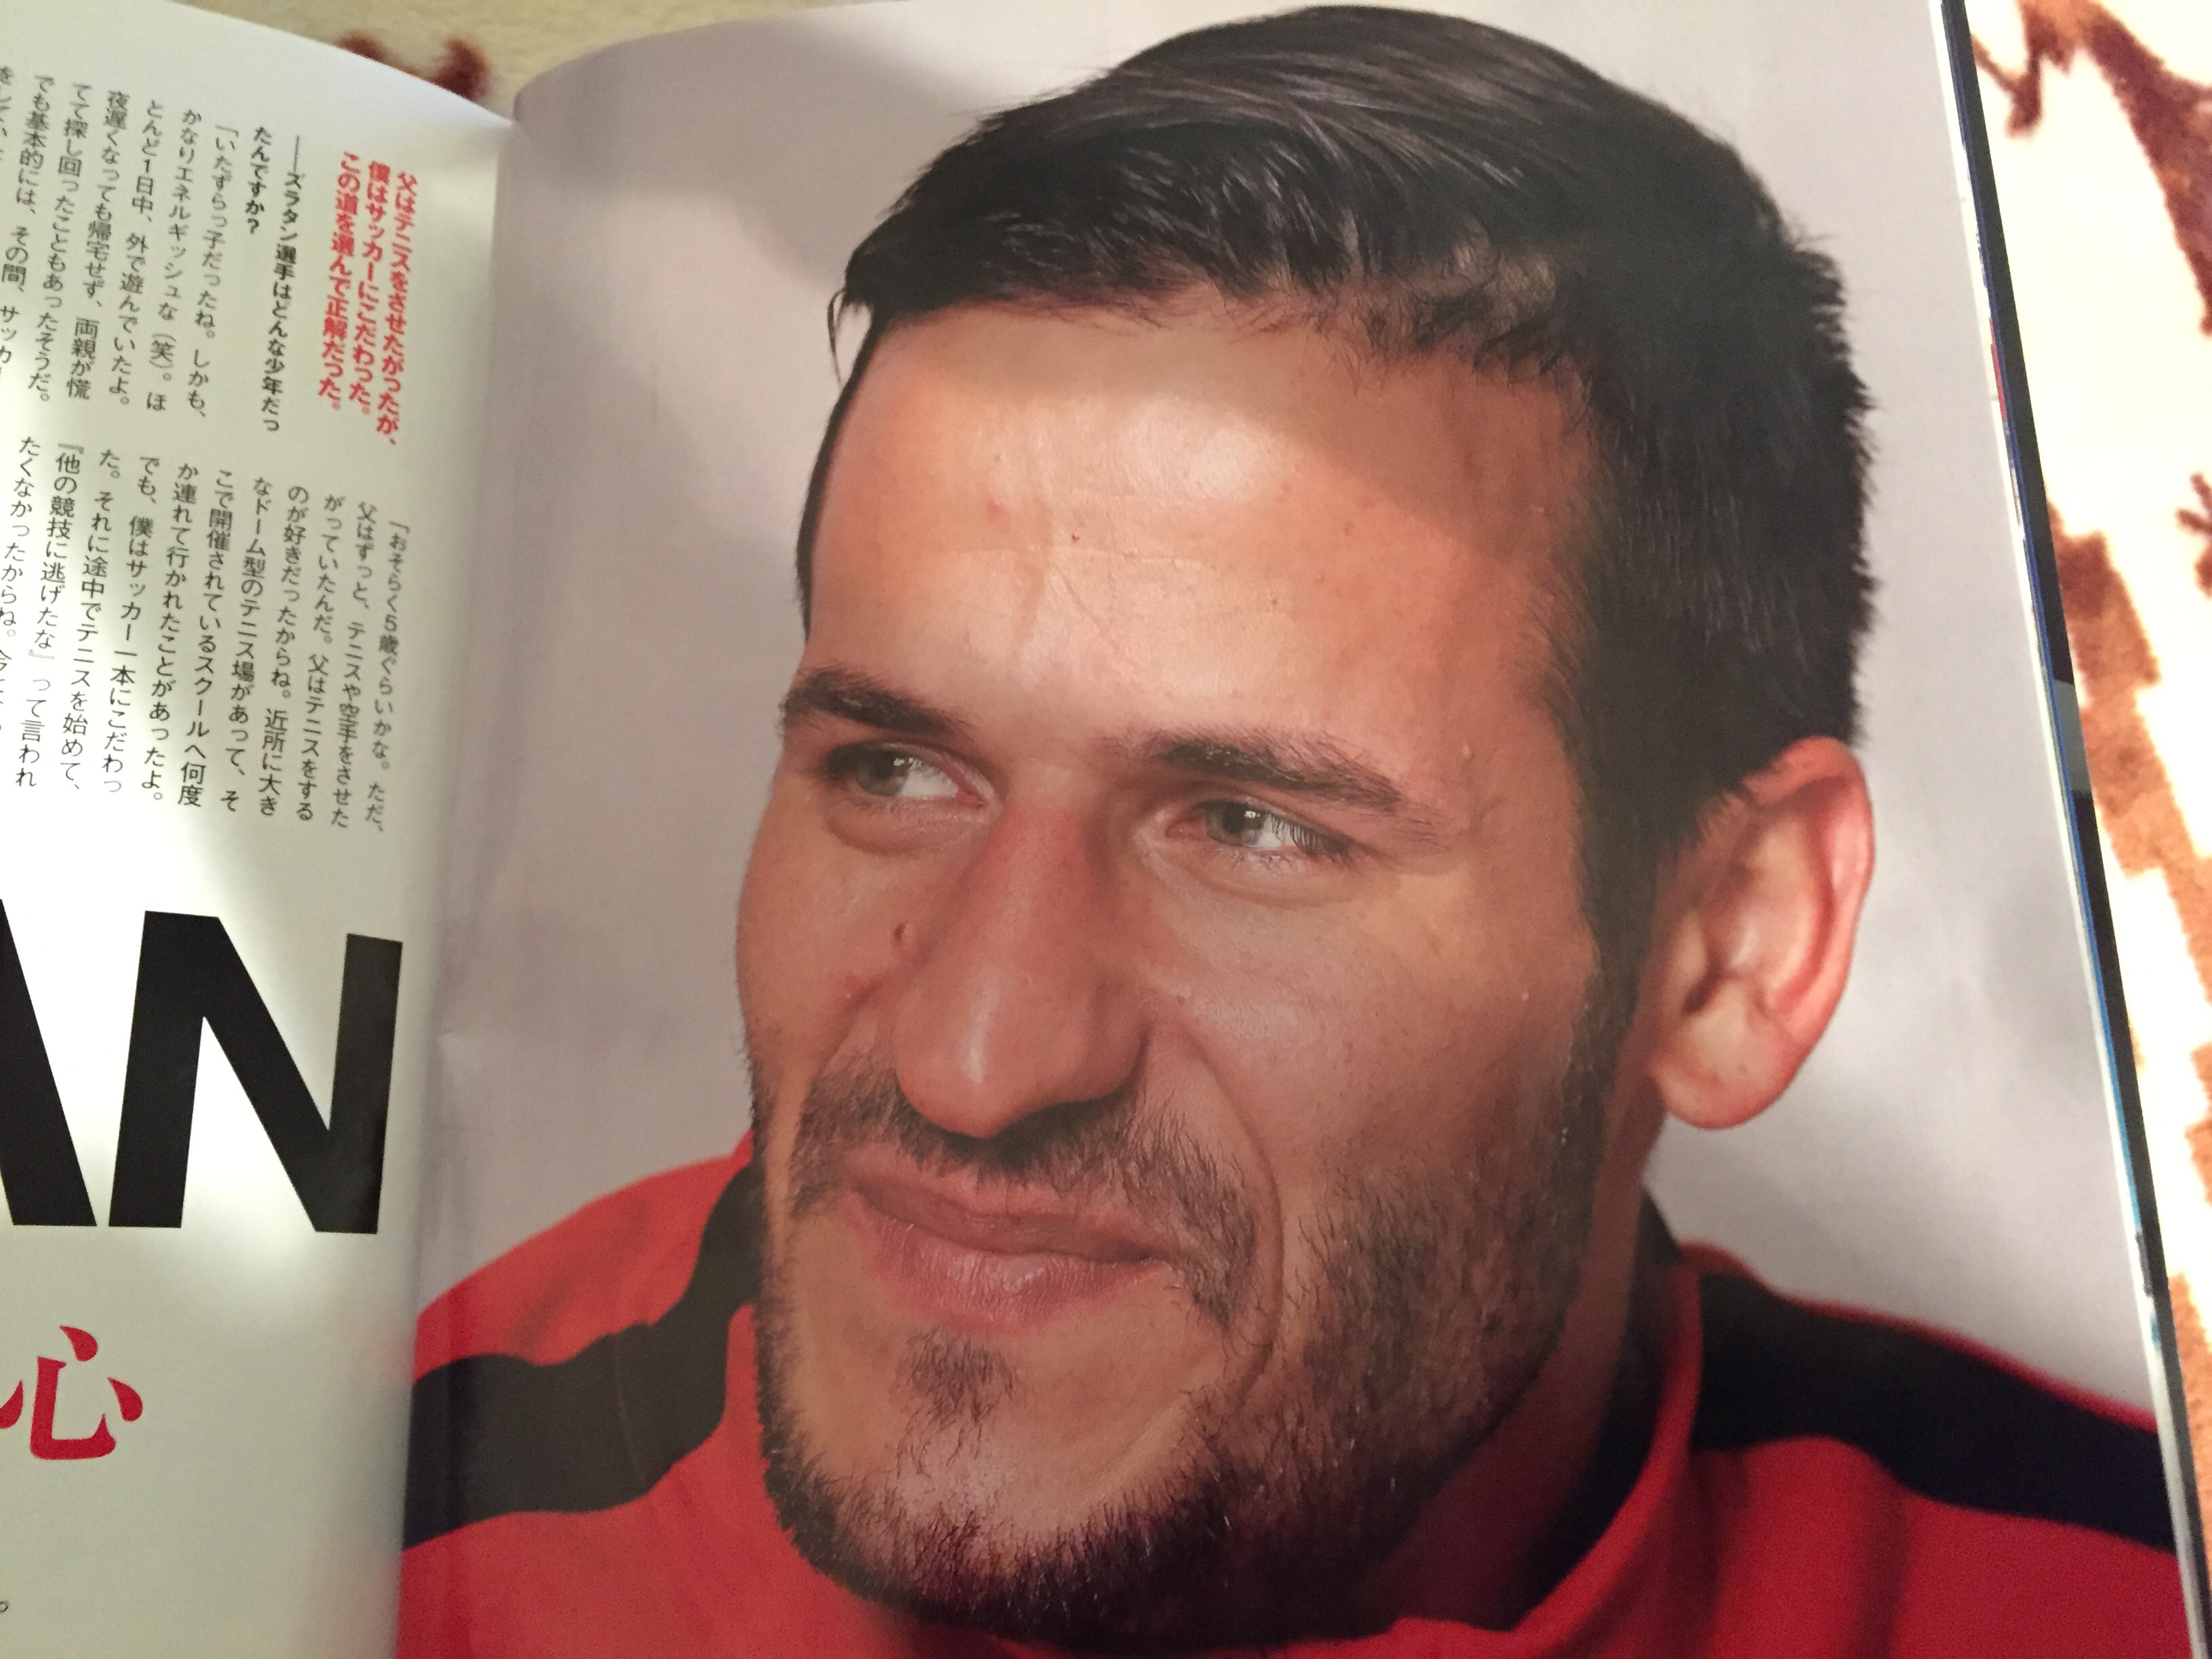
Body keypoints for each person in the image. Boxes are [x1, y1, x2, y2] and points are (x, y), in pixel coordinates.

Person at [396, 7, 2190, 1654]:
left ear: (1730, 947)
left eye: (1250, 826)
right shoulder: (380, 1505)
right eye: (894, 772)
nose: (973, 1061)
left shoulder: (2124, 1590)